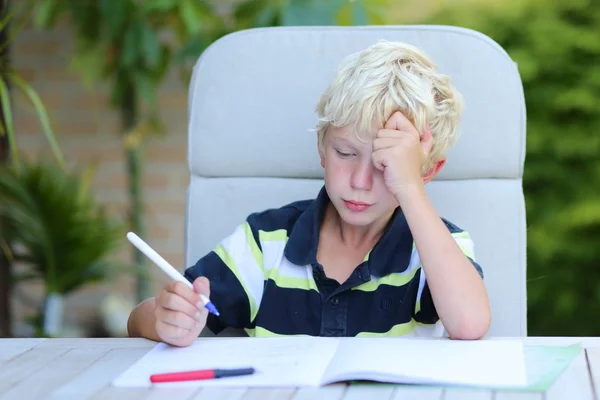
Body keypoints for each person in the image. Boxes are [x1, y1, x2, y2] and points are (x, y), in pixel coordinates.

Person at [127, 40, 491, 347]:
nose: (361, 181)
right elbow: (140, 319)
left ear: (426, 171)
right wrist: (162, 319)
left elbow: (470, 324)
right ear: (321, 145)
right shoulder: (265, 242)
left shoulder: (436, 248)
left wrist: (409, 187)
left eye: (385, 167)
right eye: (345, 153)